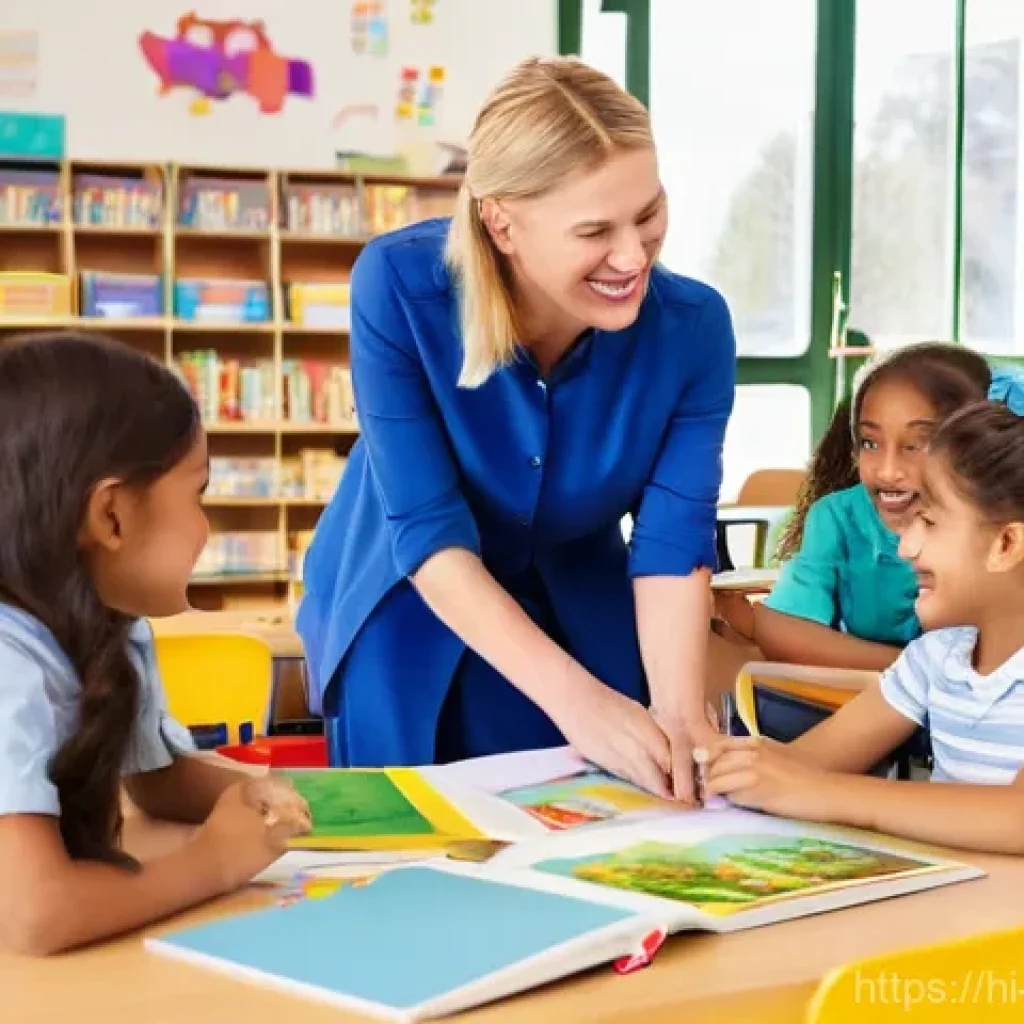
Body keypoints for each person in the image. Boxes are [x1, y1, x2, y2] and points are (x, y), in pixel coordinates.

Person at [297, 56, 736, 800]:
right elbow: (429, 533)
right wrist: (581, 705)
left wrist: (680, 712)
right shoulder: (398, 286)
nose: (633, 256)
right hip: (412, 595)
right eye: (594, 230)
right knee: (428, 828)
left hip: (582, 599)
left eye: (648, 213)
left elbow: (671, 544)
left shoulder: (695, 329)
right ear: (501, 222)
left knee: (623, 805)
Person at [0, 333, 310, 956]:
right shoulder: (10, 662)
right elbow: (35, 914)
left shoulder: (114, 627)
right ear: (110, 516)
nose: (206, 528)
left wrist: (259, 794)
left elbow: (156, 779)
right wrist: (214, 862)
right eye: (197, 495)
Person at [706, 401, 1024, 854]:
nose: (906, 547)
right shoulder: (936, 657)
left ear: (1006, 544)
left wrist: (825, 794)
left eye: (929, 522)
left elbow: (1016, 817)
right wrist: (725, 761)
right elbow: (807, 764)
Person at [715, 342, 999, 671]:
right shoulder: (837, 517)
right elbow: (785, 631)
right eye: (870, 443)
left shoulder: (996, 524)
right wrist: (911, 670)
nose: (887, 472)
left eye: (915, 446)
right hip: (872, 690)